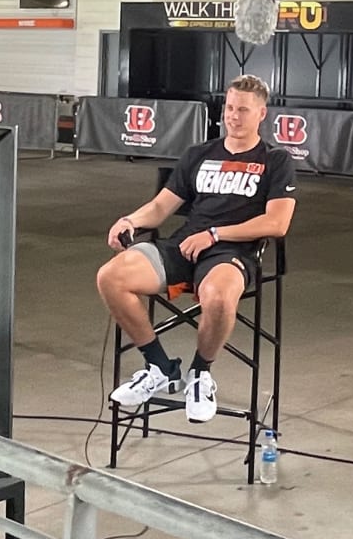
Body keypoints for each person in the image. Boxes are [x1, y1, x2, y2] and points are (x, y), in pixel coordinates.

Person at [97, 74, 297, 423]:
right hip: (185, 244)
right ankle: (160, 367)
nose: (234, 116)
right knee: (111, 277)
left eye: (243, 110)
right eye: (230, 108)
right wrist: (129, 220)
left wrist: (217, 234)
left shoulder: (275, 160)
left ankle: (200, 374)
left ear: (261, 114)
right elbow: (161, 208)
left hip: (231, 253)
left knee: (219, 298)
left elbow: (277, 223)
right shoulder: (199, 154)